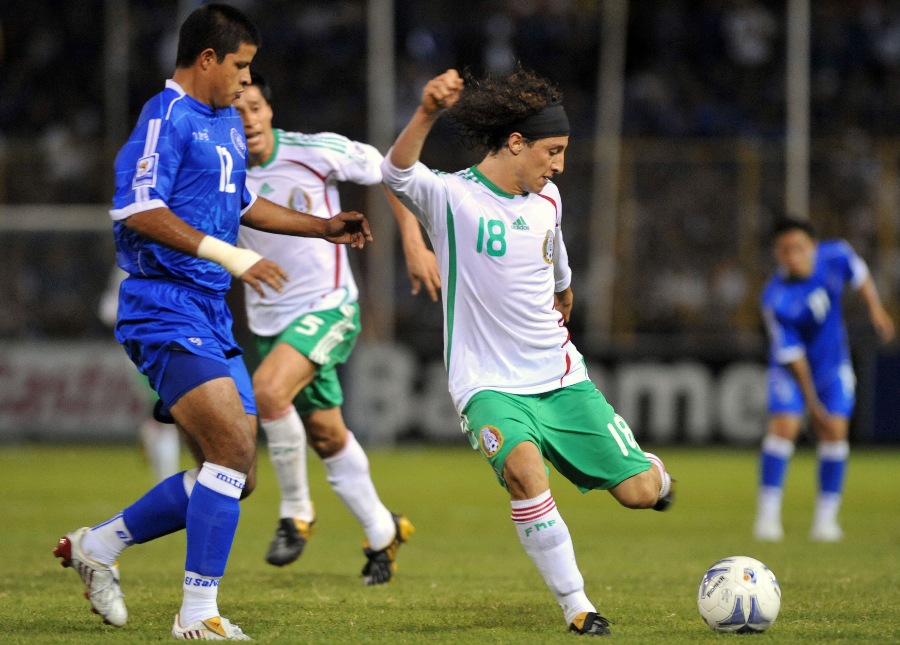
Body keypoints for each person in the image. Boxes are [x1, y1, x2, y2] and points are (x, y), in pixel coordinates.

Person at [53, 5, 371, 640]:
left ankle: (98, 545)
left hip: (207, 310)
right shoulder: (164, 118)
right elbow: (137, 208)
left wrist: (322, 227)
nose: (246, 82)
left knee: (238, 473)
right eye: (241, 66)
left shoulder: (223, 120)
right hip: (163, 304)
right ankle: (197, 615)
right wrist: (231, 255)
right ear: (207, 60)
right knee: (229, 449)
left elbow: (243, 201)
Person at [380, 67, 675, 637]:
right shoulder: (453, 199)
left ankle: (658, 478)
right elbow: (395, 174)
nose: (559, 164)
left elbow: (556, 264)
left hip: (560, 379)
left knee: (640, 493)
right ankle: (578, 606)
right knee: (524, 470)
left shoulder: (549, 200)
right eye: (552, 151)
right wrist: (425, 112)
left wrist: (564, 292)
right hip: (488, 385)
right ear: (516, 143)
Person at [233, 73, 439, 581]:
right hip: (267, 322)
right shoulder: (221, 170)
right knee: (326, 436)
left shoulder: (314, 151)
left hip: (328, 305)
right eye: (236, 111)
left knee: (267, 391)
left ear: (269, 111)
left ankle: (296, 513)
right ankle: (382, 530)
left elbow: (394, 170)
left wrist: (413, 243)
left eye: (255, 107)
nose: (249, 119)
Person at [754, 216, 894, 543]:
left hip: (833, 363)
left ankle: (826, 521)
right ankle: (768, 516)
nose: (793, 256)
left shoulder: (837, 255)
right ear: (777, 253)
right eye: (785, 250)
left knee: (835, 431)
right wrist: (812, 405)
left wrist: (876, 310)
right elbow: (794, 357)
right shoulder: (775, 298)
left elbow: (859, 276)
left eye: (799, 248)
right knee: (785, 426)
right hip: (791, 369)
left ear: (813, 247)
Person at [99, 265, 181, 482]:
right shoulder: (133, 265)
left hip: (150, 350)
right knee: (167, 415)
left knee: (163, 414)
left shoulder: (127, 264)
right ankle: (166, 484)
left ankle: (150, 436)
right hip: (148, 351)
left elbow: (107, 310)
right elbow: (109, 310)